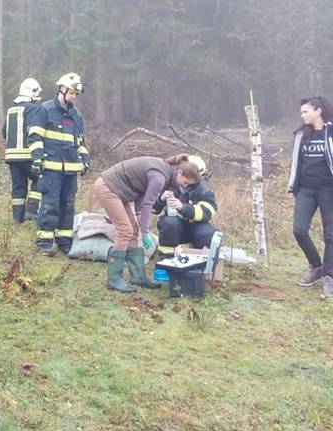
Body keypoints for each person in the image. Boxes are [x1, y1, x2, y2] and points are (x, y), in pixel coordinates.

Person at [95, 154, 201, 292]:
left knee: (133, 229)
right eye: (185, 182)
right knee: (125, 230)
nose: (183, 186)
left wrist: (139, 215)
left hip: (120, 191)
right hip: (108, 187)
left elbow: (141, 192)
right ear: (179, 173)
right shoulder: (159, 177)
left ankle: (138, 277)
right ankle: (114, 280)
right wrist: (145, 233)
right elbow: (148, 204)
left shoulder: (166, 172)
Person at [28, 73, 89, 255]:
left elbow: (80, 142)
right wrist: (37, 158)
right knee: (50, 204)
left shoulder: (76, 115)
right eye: (71, 92)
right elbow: (35, 136)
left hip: (70, 171)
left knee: (68, 205)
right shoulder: (45, 110)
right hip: (51, 169)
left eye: (76, 94)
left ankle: (64, 241)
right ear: (61, 89)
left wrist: (85, 160)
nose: (73, 97)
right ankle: (45, 242)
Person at [288, 96, 333, 299]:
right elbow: (296, 162)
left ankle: (328, 277)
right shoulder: (301, 135)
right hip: (306, 189)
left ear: (318, 111)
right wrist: (293, 185)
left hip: (328, 189)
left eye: (306, 111)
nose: (302, 115)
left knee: (330, 235)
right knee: (299, 229)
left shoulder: (330, 132)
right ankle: (317, 267)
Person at [153, 155, 218, 250]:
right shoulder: (169, 184)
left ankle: (199, 260)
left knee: (207, 233)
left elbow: (207, 213)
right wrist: (161, 199)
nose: (184, 183)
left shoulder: (205, 192)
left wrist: (182, 207)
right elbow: (153, 209)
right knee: (169, 223)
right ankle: (167, 257)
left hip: (196, 227)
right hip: (173, 228)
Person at [2, 78, 43, 223]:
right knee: (40, 179)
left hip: (12, 157)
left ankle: (17, 218)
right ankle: (31, 212)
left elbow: (4, 131)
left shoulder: (11, 110)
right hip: (28, 155)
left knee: (18, 186)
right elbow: (34, 130)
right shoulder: (33, 109)